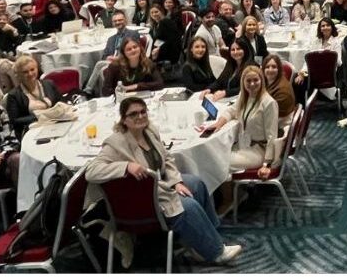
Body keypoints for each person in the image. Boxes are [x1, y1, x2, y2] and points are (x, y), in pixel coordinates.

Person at [85, 97, 242, 265]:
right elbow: (91, 171)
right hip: (143, 197)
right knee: (187, 206)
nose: (140, 116)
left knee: (196, 184)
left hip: (160, 184)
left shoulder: (150, 131)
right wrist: (126, 166)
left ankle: (209, 236)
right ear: (124, 119)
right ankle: (217, 253)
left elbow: (166, 158)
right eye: (133, 114)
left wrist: (176, 182)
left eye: (143, 112)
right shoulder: (116, 143)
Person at [206, 65, 280, 174]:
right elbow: (231, 110)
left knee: (220, 162)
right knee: (214, 155)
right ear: (243, 82)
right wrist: (219, 123)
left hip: (259, 150)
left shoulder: (269, 103)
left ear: (262, 80)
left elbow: (272, 137)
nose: (252, 84)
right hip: (243, 144)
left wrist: (266, 164)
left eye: (256, 80)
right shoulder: (244, 95)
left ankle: (227, 185)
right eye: (248, 81)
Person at [4, 55, 61, 137]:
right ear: (18, 75)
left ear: (37, 69)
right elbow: (14, 120)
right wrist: (39, 116)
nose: (30, 74)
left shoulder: (49, 84)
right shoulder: (13, 95)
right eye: (25, 72)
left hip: (55, 124)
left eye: (32, 69)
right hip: (33, 130)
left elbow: (60, 103)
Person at [261, 55, 296, 127]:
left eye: (274, 67)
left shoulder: (282, 91)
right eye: (267, 67)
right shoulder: (269, 82)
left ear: (279, 69)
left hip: (280, 126)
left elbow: (269, 115)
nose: (270, 70)